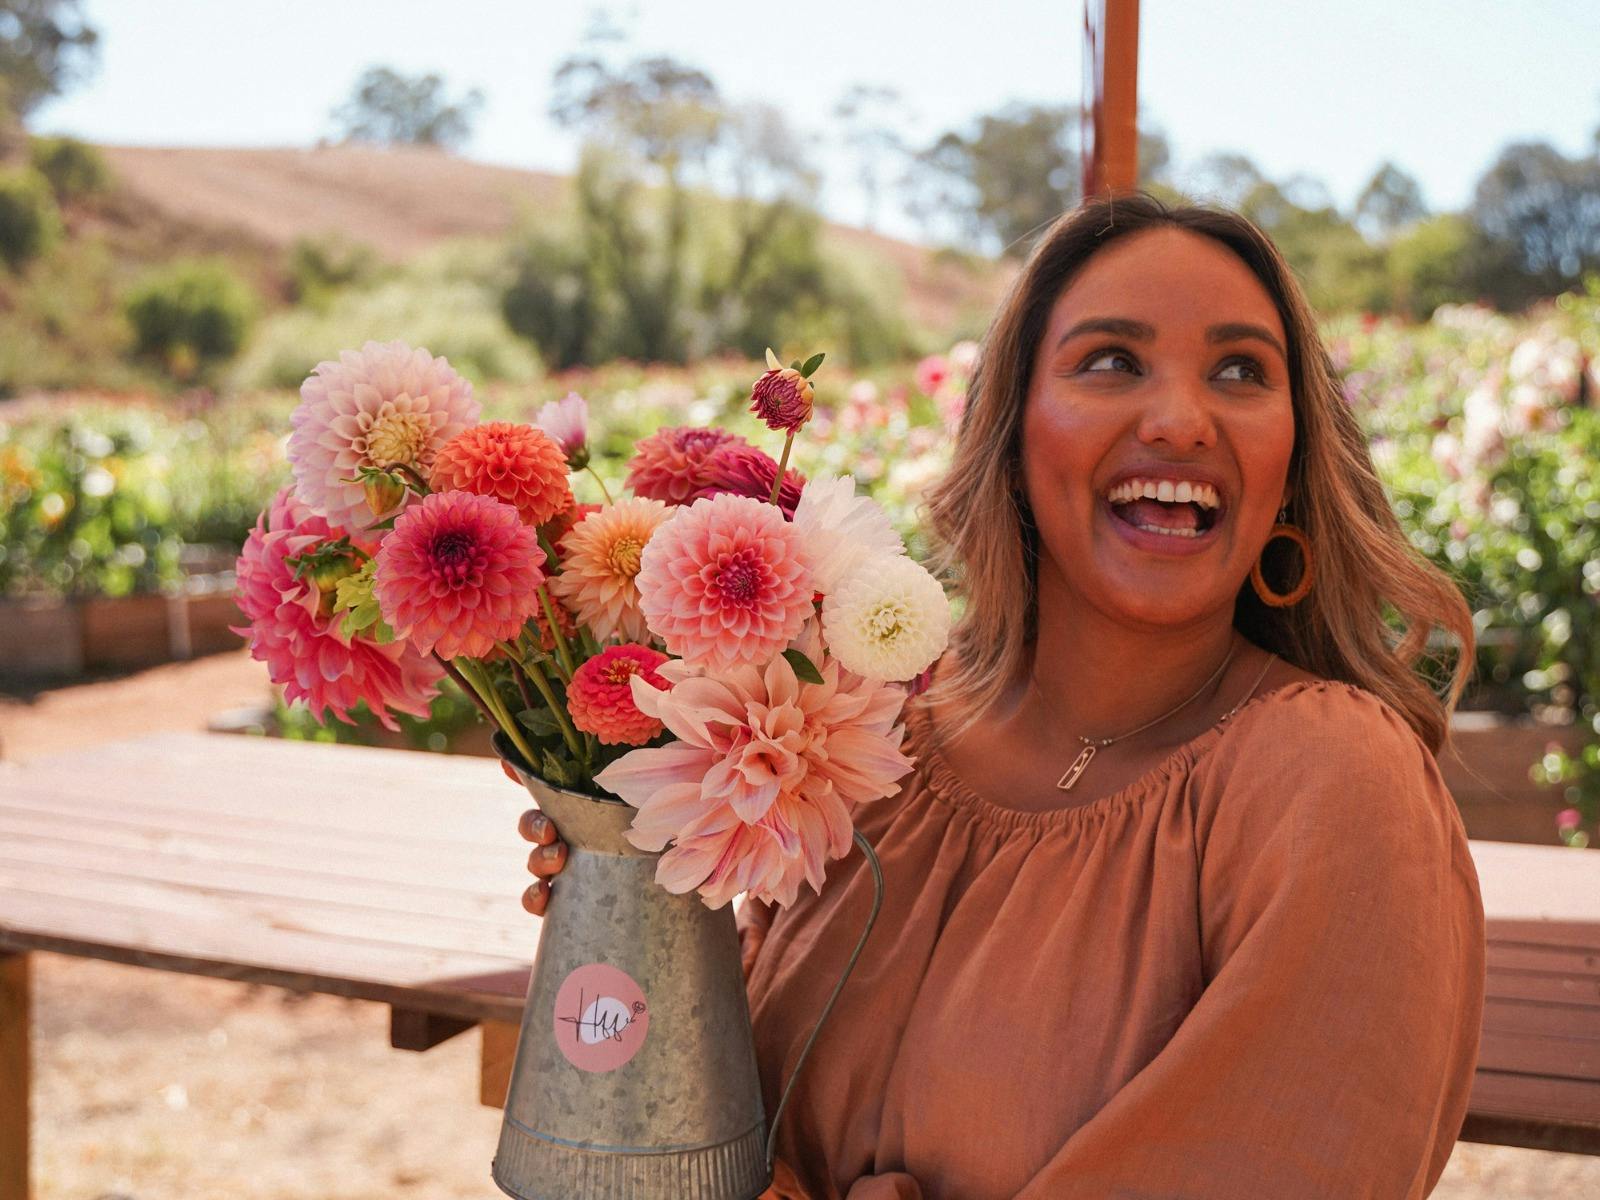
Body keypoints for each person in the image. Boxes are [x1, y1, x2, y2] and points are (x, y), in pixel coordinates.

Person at [517, 192, 1487, 1199]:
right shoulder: (862, 743)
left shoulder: (1333, 782)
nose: (1179, 420)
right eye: (1111, 360)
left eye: (1240, 371)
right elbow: (698, 1132)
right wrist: (638, 909)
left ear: (1290, 468)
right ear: (1012, 431)